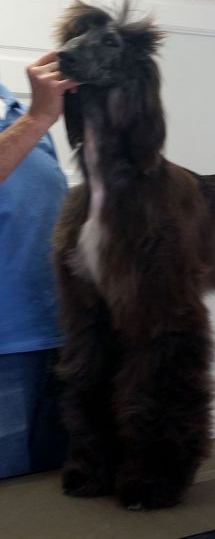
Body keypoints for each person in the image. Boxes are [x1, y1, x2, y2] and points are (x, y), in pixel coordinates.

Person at [0, 51, 77, 479]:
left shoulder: (15, 110)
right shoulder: (32, 119)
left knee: (58, 493)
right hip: (5, 356)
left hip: (58, 344)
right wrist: (38, 118)